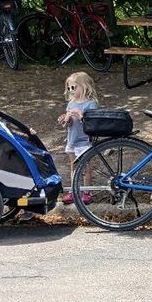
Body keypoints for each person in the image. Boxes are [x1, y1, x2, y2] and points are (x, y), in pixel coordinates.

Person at [56, 71, 98, 206]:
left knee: (85, 167)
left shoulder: (91, 104)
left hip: (85, 140)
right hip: (72, 139)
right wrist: (65, 119)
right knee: (73, 166)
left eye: (73, 87)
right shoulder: (71, 104)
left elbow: (91, 122)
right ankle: (74, 190)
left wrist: (79, 114)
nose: (71, 90)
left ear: (84, 86)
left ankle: (87, 192)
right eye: (69, 88)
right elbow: (68, 124)